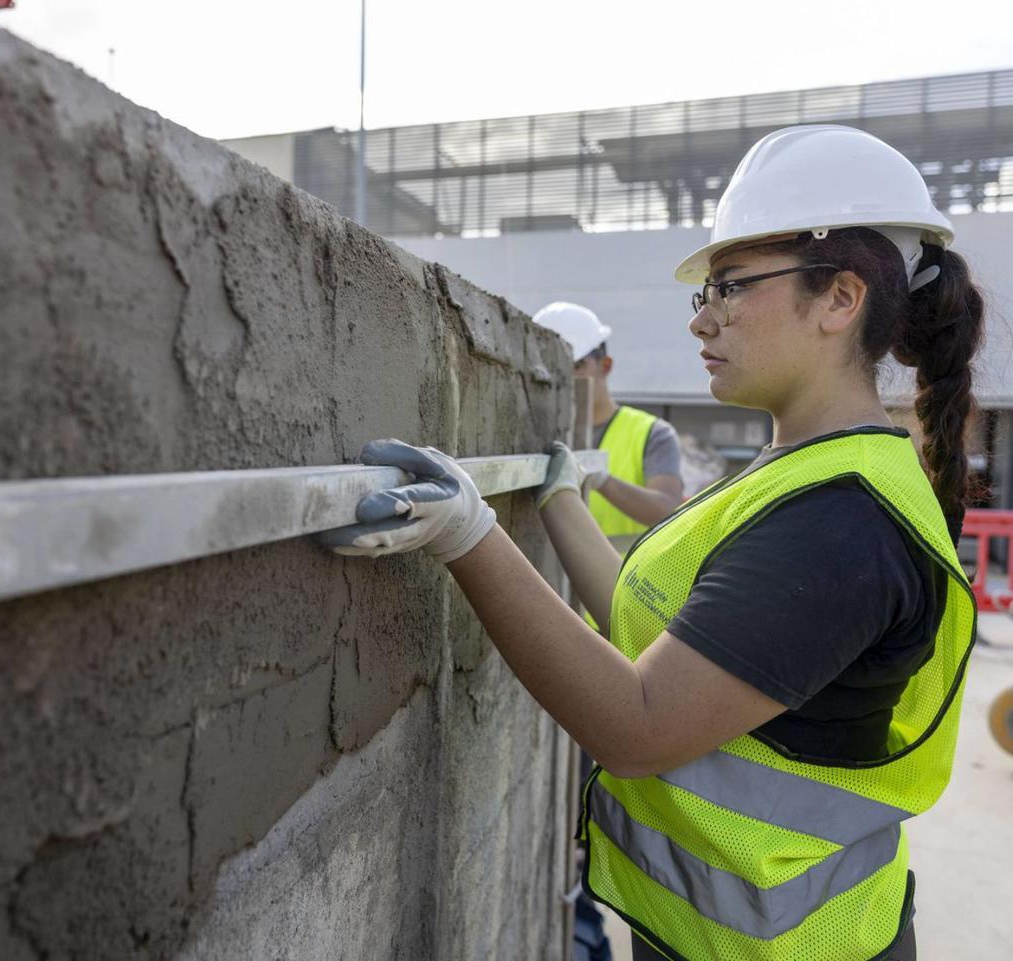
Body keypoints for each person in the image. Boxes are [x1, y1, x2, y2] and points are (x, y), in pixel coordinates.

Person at [320, 124, 981, 961]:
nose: (703, 319)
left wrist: (469, 535)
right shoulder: (802, 474)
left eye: (731, 287)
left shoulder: (842, 520)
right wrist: (559, 498)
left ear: (840, 299)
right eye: (705, 292)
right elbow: (660, 633)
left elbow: (637, 721)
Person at [532, 302, 684, 554]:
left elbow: (667, 510)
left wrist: (603, 480)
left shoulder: (652, 433)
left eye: (576, 366)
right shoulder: (538, 433)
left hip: (624, 576)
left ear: (605, 365)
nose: (565, 377)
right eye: (553, 367)